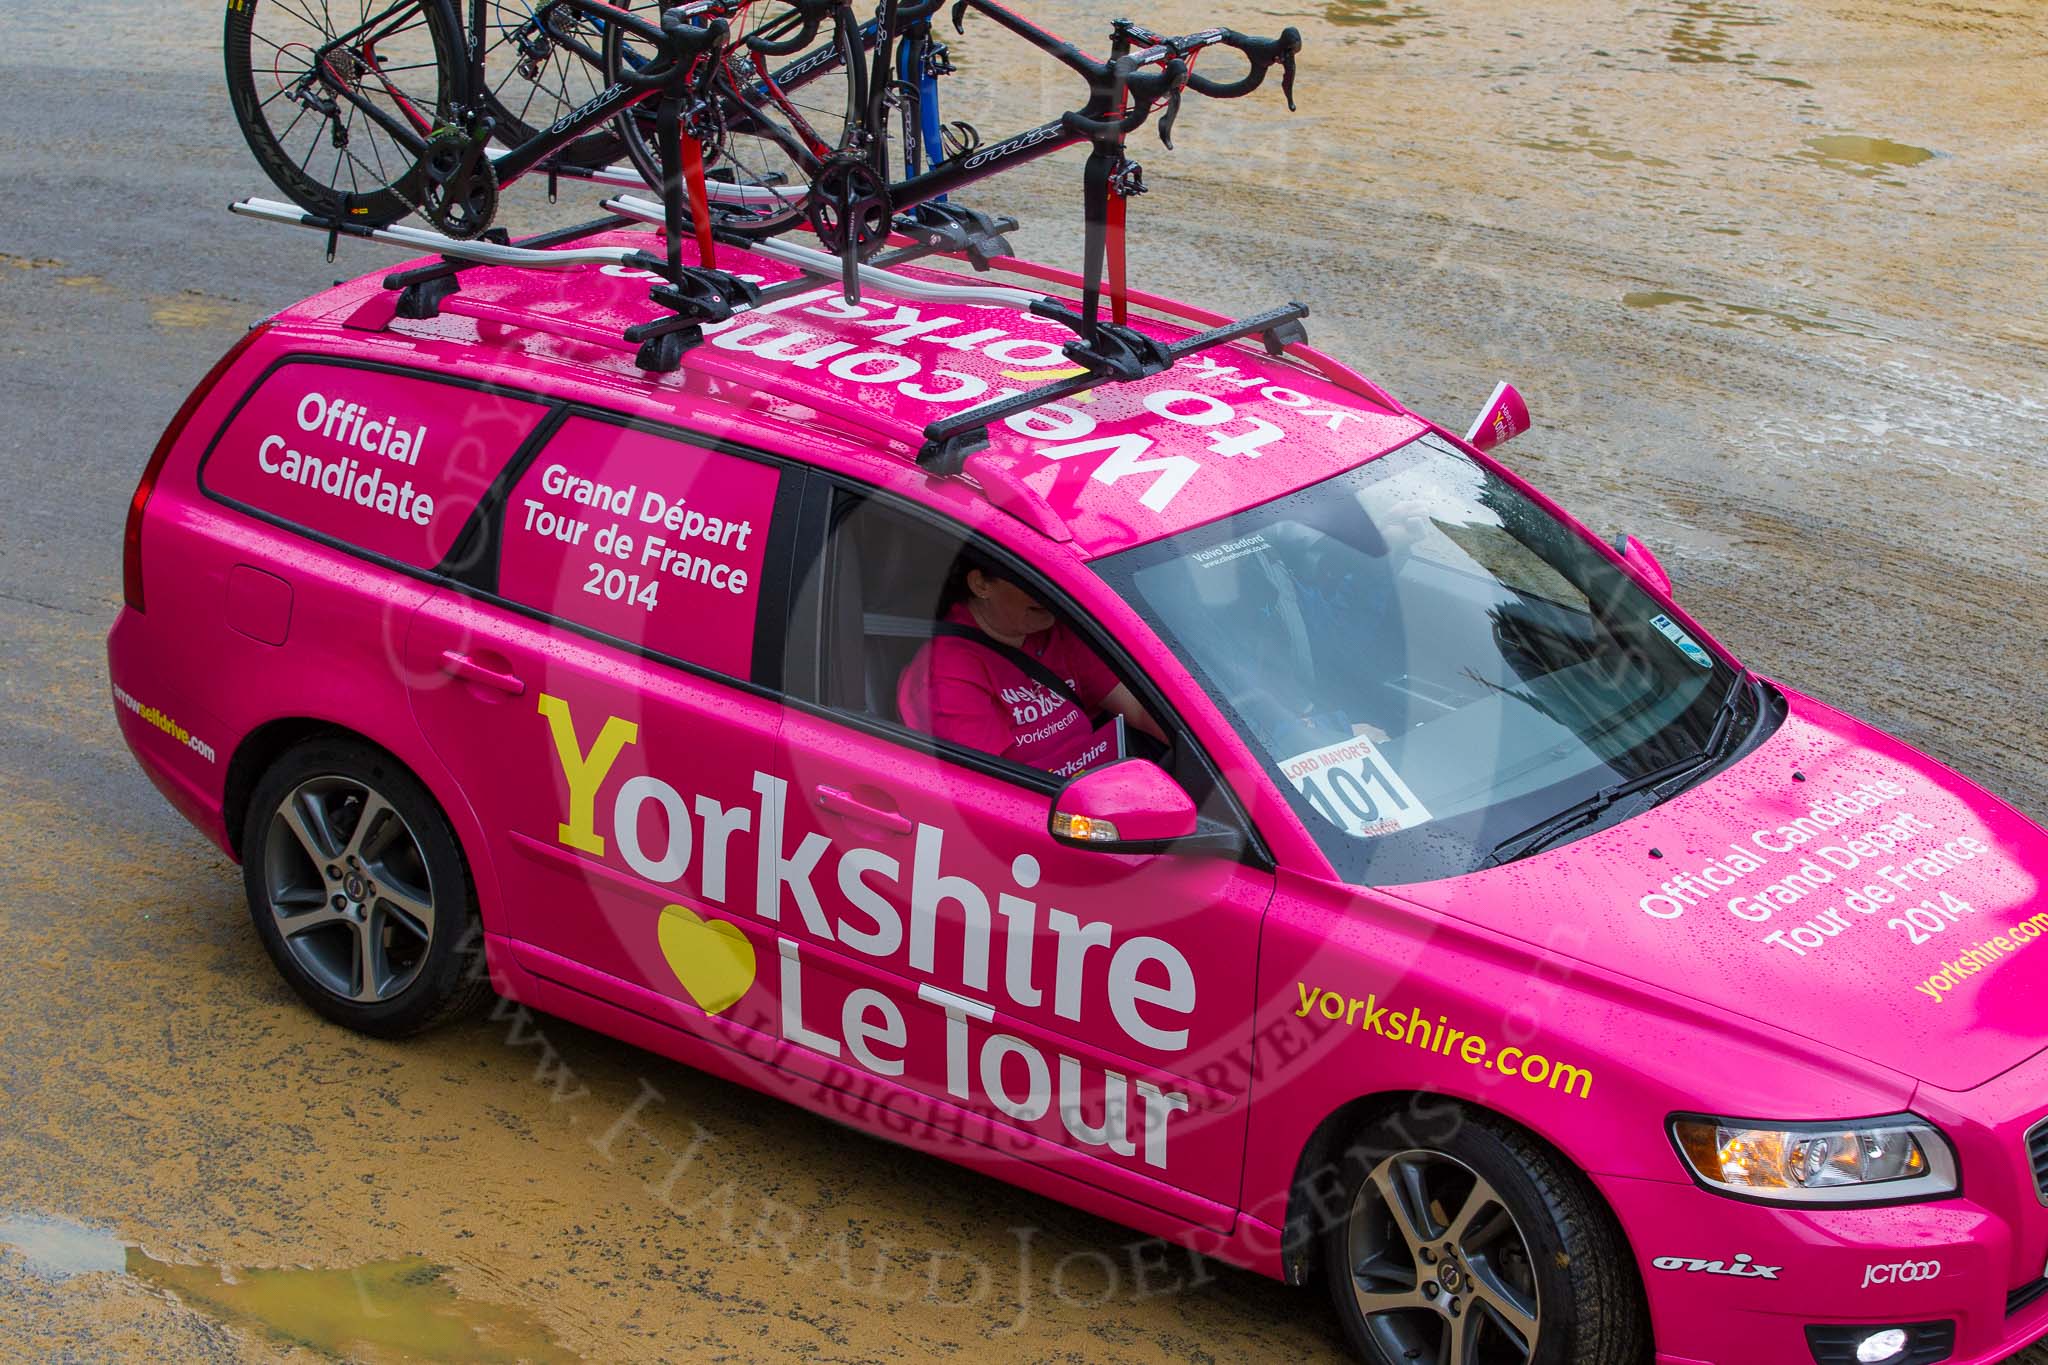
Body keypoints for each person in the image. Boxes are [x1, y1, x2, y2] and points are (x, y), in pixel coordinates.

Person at [897, 555, 1166, 777]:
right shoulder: (948, 673)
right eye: (1033, 580)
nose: (1050, 595)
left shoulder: (1055, 628)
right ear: (981, 584)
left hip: (1096, 788)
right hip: (1045, 817)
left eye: (1054, 579)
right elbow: (991, 788)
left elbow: (1140, 710)